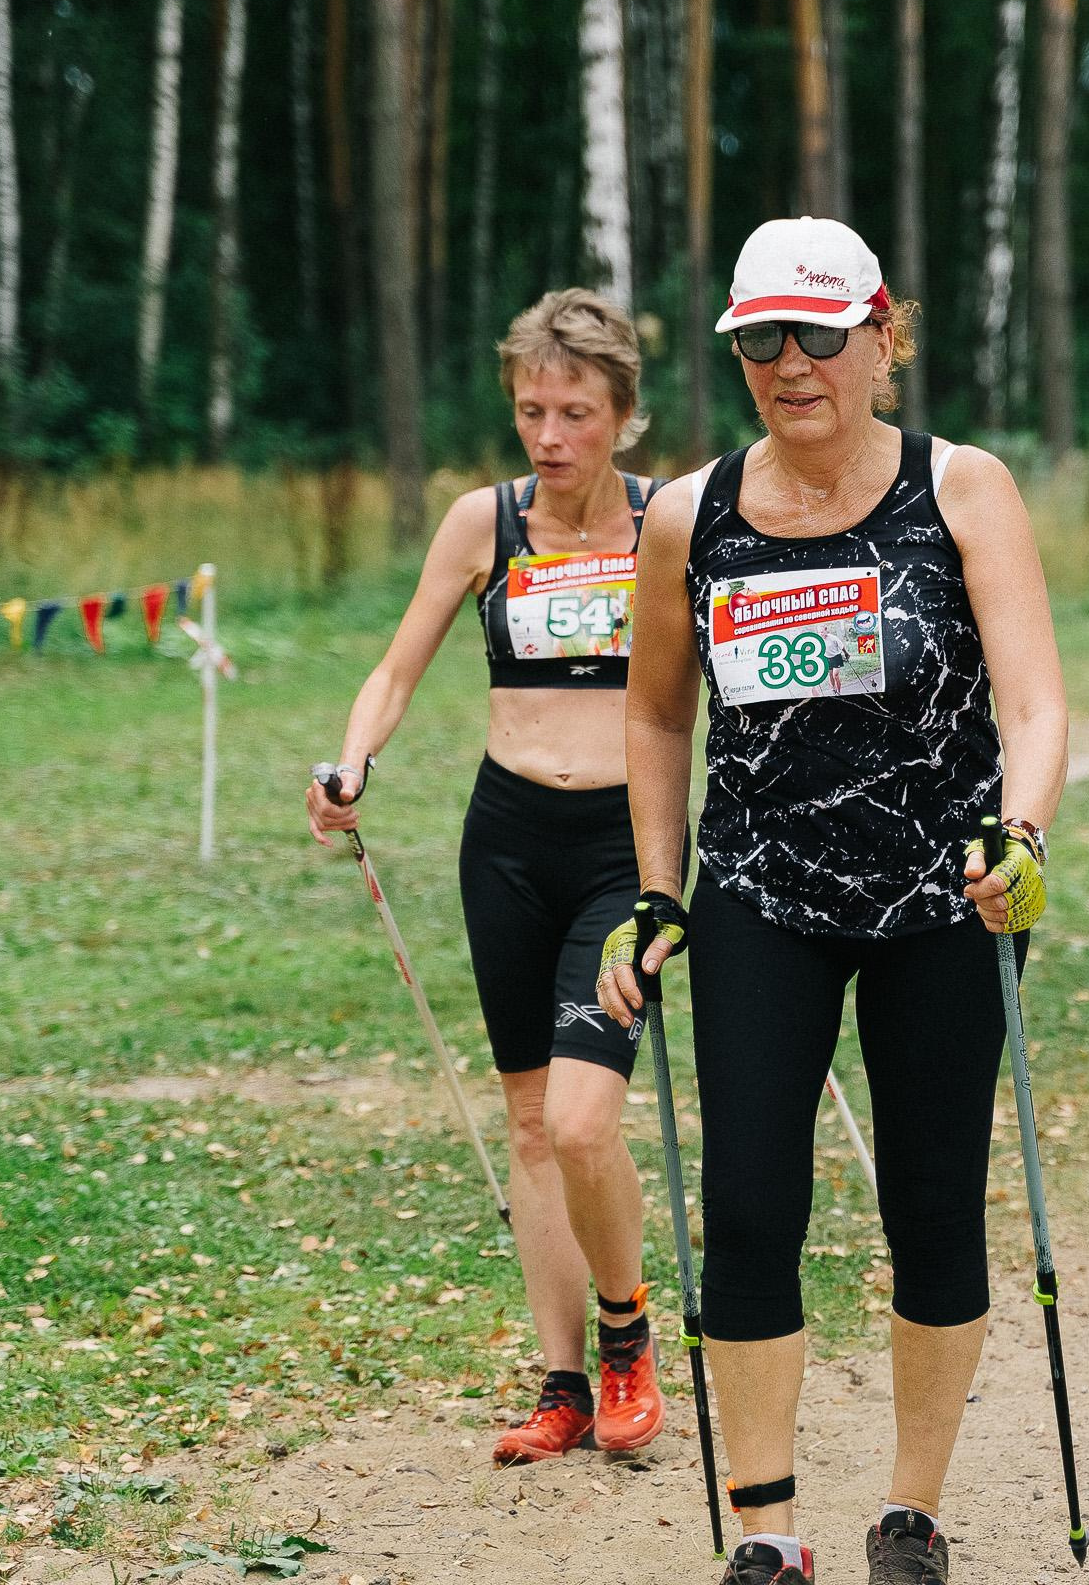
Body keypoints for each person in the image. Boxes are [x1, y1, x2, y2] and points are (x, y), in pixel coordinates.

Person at [599, 218, 1069, 1585]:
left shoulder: (962, 489)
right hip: (760, 890)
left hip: (948, 891)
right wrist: (654, 888)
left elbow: (1036, 701)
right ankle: (767, 1529)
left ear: (881, 338)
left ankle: (909, 1514)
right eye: (759, 341)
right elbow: (653, 723)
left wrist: (1021, 833)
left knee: (931, 1201)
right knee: (748, 1207)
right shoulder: (693, 514)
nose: (788, 365)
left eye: (815, 336)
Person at [307, 289, 668, 1466]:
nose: (550, 435)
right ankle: (563, 1382)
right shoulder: (484, 522)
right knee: (526, 1119)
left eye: (575, 412)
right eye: (531, 410)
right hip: (506, 839)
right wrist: (350, 761)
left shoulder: (673, 524)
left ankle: (628, 1331)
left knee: (579, 1119)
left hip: (625, 845)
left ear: (623, 415)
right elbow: (396, 669)